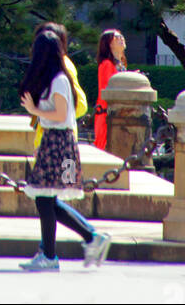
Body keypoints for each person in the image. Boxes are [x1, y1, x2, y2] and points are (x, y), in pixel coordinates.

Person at [19, 31, 109, 272]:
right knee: (47, 200)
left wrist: (35, 109)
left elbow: (60, 114)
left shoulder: (59, 79)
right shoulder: (55, 77)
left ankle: (53, 254)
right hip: (55, 141)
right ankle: (82, 241)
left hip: (58, 142)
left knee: (45, 198)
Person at [94, 29, 127, 151]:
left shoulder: (120, 64)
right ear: (109, 43)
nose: (121, 38)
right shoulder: (107, 64)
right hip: (107, 115)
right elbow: (108, 90)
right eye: (117, 37)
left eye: (121, 36)